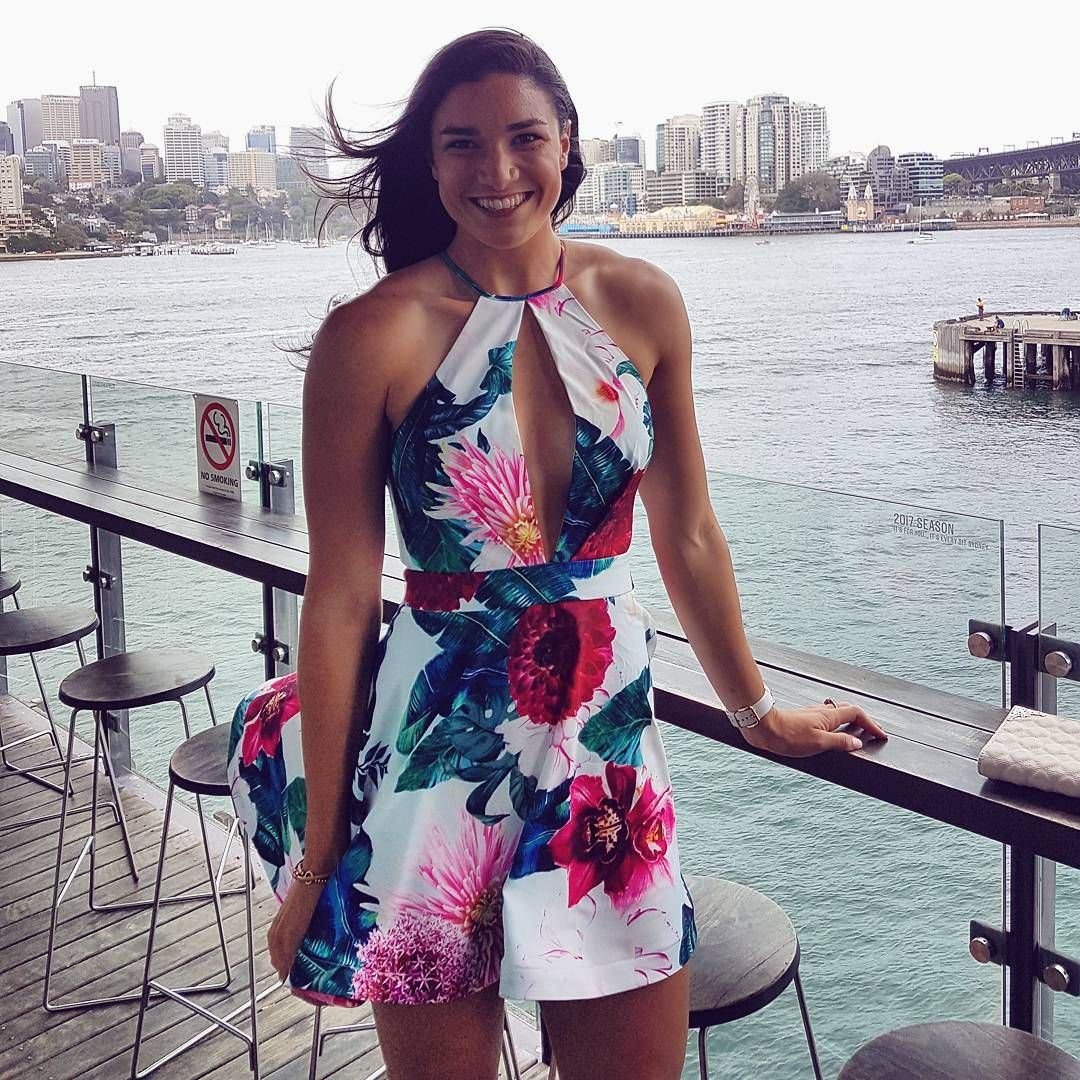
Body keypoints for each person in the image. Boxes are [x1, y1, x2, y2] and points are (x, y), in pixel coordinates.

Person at [226, 29, 886, 1080]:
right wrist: (315, 866)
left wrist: (759, 716)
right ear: (430, 159)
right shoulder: (370, 336)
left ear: (568, 142)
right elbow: (342, 595)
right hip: (434, 762)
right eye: (462, 143)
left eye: (524, 137)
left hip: (605, 758)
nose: (497, 170)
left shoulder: (643, 303)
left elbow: (688, 532)